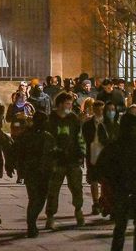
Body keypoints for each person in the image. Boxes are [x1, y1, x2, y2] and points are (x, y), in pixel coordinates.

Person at [96, 112, 136, 251]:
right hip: (124, 190)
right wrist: (114, 182)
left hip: (135, 189)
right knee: (124, 225)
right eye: (135, 127)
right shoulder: (117, 146)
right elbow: (102, 168)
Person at [13, 111, 57, 238]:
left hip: (41, 172)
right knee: (36, 199)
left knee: (38, 198)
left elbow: (52, 153)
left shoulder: (46, 136)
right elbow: (18, 153)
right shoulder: (28, 136)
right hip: (34, 171)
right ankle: (31, 224)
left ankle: (31, 223)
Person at [45, 92, 85, 229]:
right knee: (53, 190)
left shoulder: (73, 118)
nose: (70, 106)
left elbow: (79, 136)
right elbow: (48, 139)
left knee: (76, 187)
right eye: (68, 103)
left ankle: (79, 211)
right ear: (60, 104)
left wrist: (81, 153)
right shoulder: (51, 119)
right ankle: (50, 216)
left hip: (73, 159)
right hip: (57, 160)